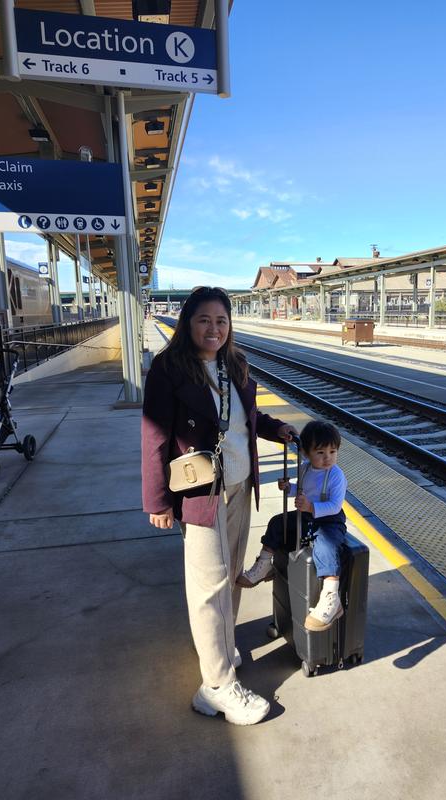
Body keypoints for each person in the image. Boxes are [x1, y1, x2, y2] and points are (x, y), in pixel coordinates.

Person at [141, 286, 296, 726]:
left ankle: (223, 648)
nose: (214, 328)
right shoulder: (168, 370)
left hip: (239, 485)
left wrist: (275, 427)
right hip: (199, 493)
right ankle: (216, 686)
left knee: (228, 577)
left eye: (222, 321)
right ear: (188, 323)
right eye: (204, 320)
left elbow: (244, 418)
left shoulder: (235, 365)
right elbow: (154, 437)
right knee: (207, 587)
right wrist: (157, 500)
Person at [238, 419, 347, 632]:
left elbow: (335, 506)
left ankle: (331, 595)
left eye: (333, 452)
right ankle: (265, 564)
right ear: (306, 453)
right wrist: (289, 488)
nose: (328, 458)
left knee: (326, 545)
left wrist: (311, 507)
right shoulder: (305, 469)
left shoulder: (336, 475)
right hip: (306, 516)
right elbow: (302, 488)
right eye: (321, 453)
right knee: (277, 523)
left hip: (328, 520)